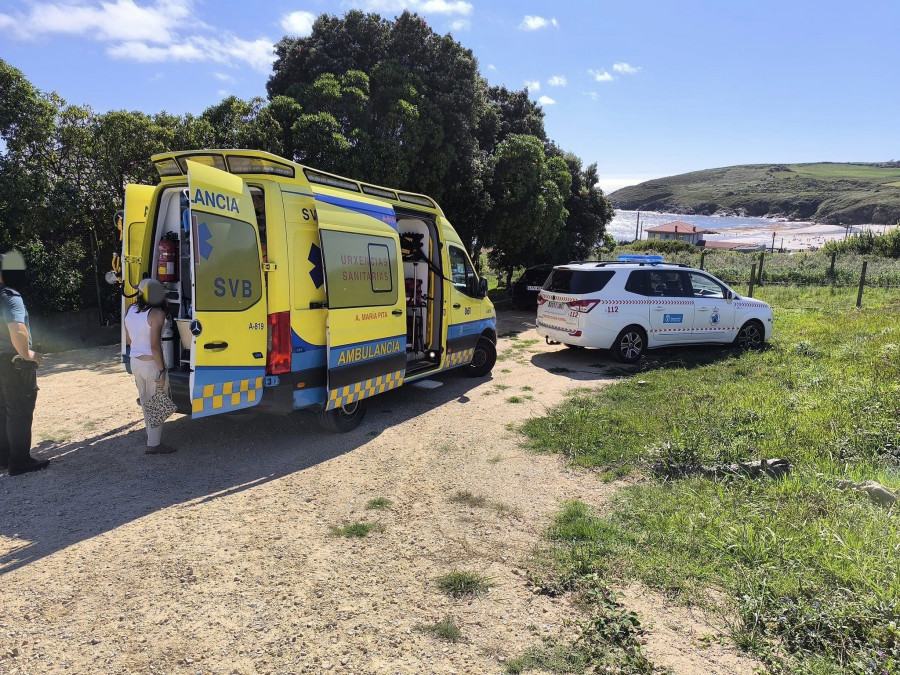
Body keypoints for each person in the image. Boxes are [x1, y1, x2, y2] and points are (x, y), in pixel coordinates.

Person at [0, 250, 50, 476]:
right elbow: (17, 329)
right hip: (13, 363)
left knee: (4, 409)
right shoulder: (9, 296)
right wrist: (28, 354)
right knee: (20, 410)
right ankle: (20, 461)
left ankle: (4, 456)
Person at [123, 279, 176, 454]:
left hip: (135, 361)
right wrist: (161, 370)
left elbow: (129, 339)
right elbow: (155, 346)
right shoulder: (157, 314)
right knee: (157, 403)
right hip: (151, 363)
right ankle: (154, 444)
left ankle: (150, 437)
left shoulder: (131, 310)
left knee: (146, 401)